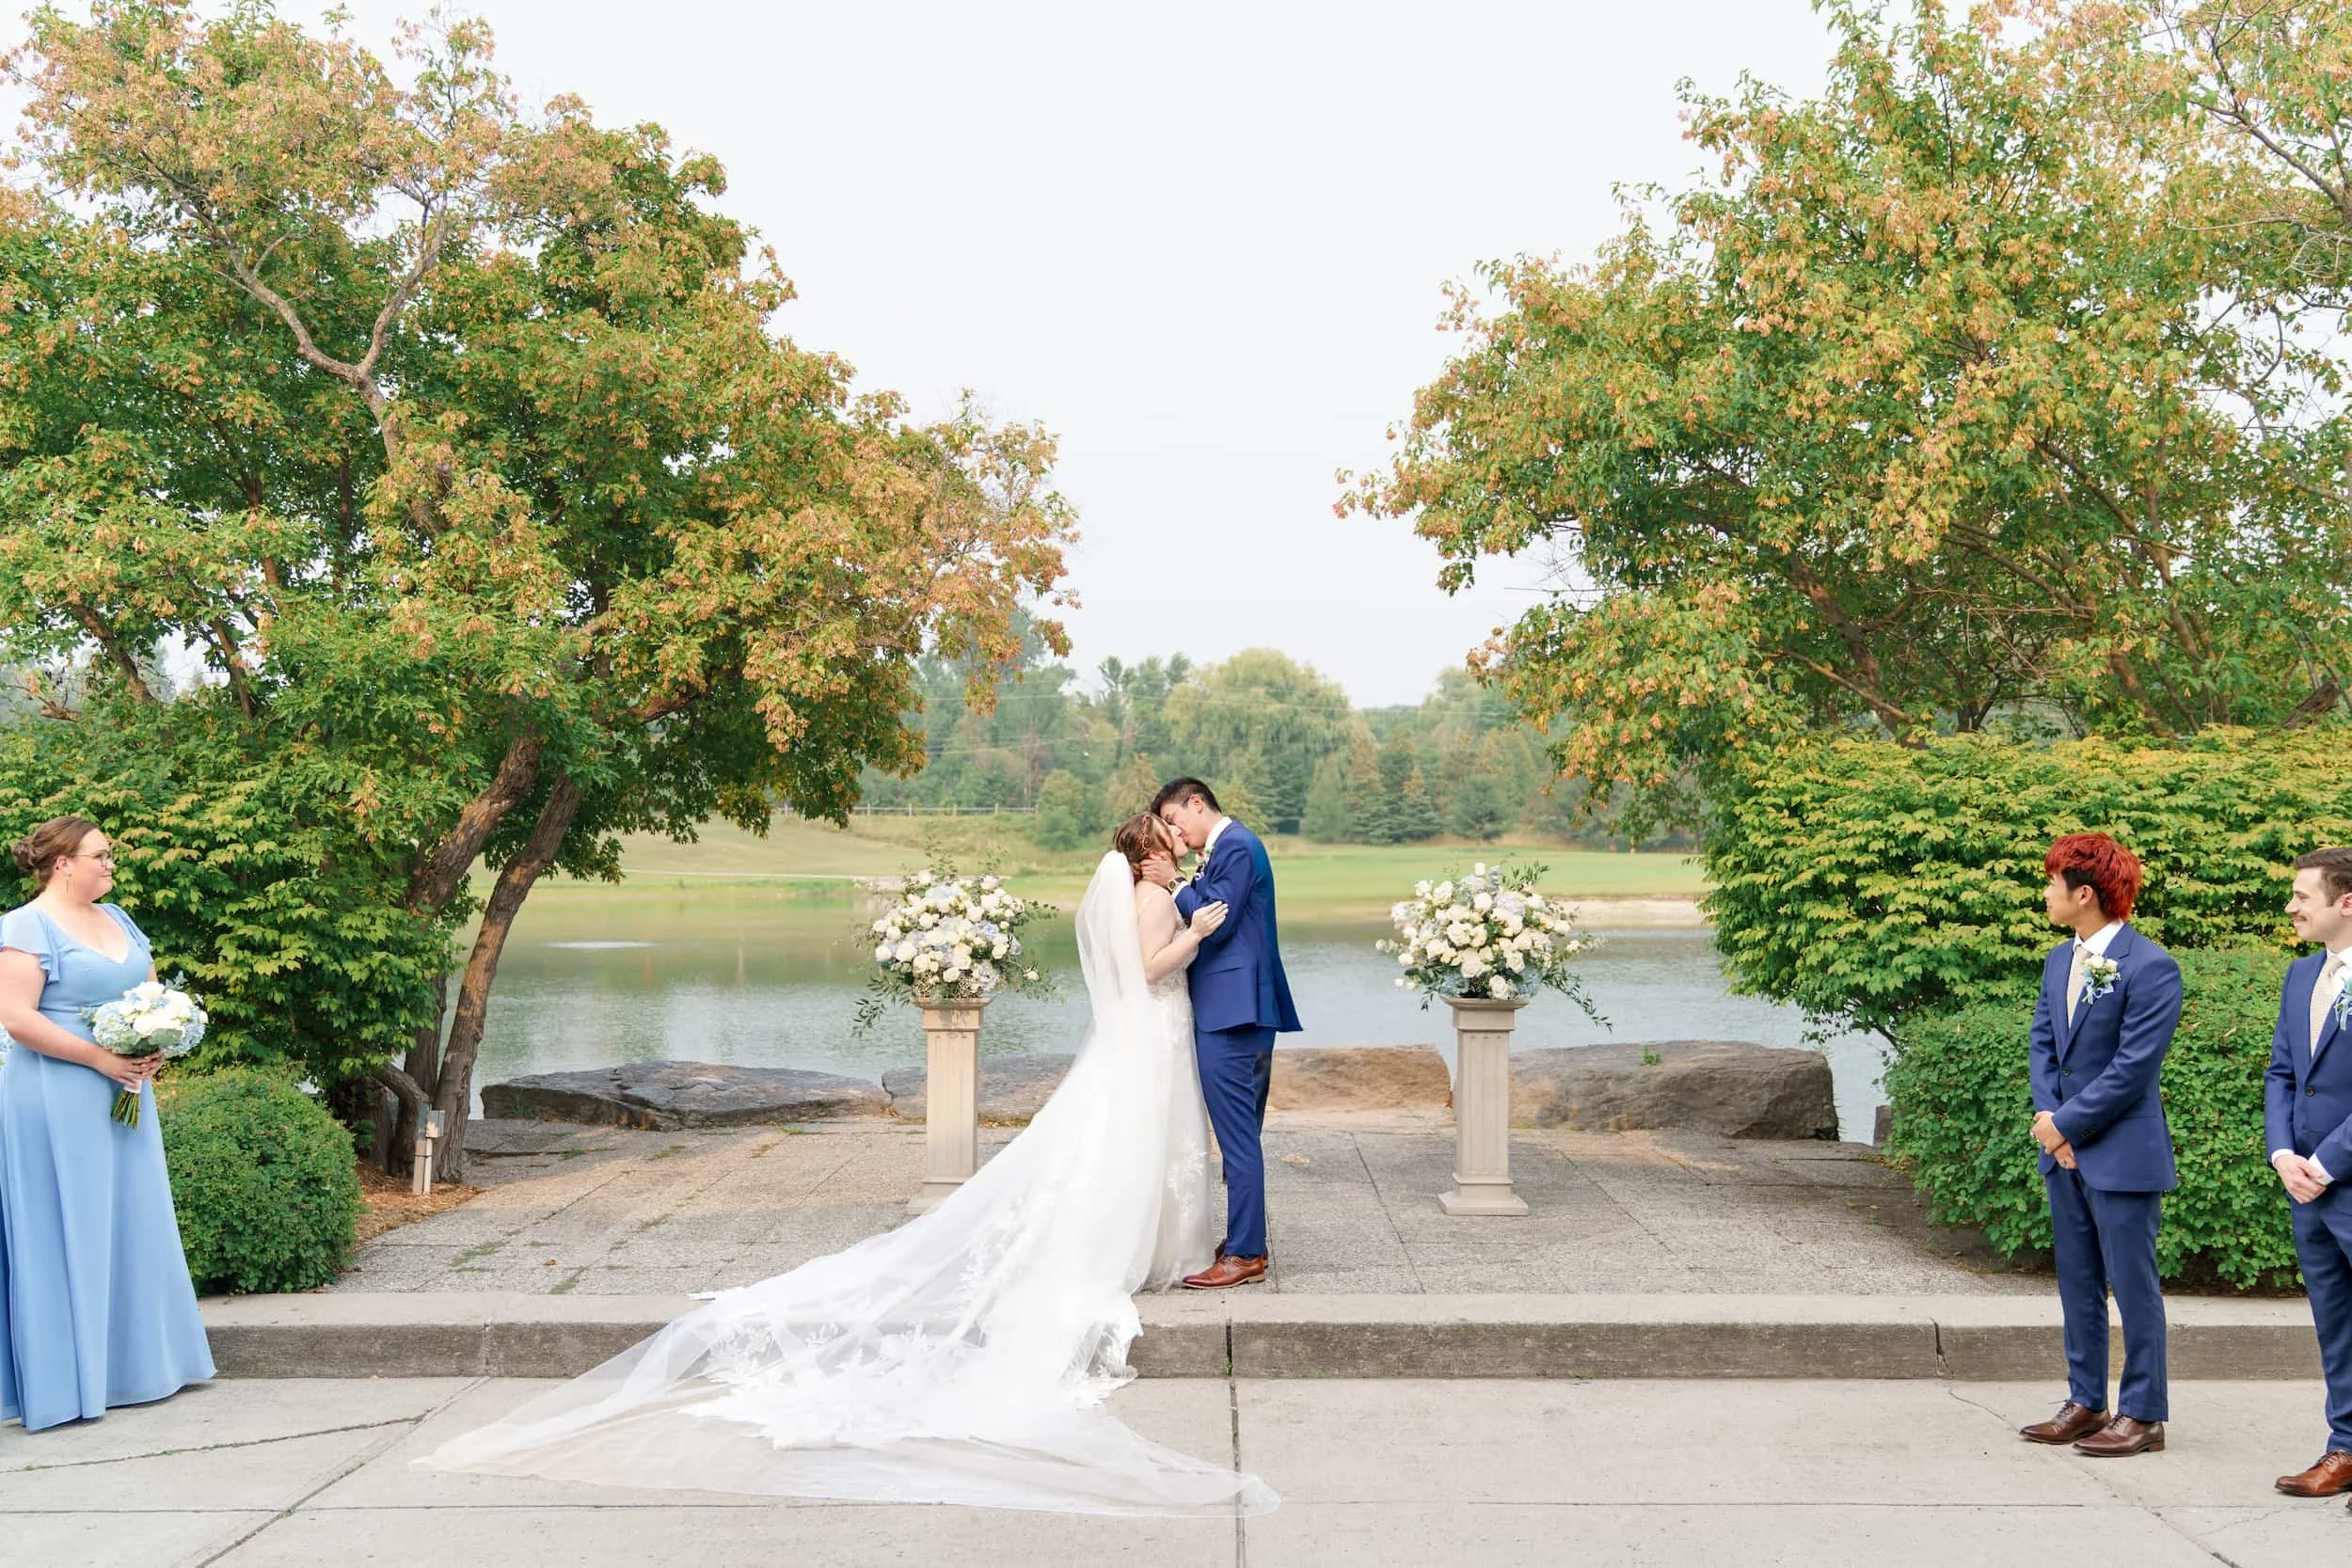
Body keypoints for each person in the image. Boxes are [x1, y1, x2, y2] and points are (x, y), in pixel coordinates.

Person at [421, 818, 1277, 1516]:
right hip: (1149, 1032)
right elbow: (1151, 967)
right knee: (1128, 1144)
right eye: (1164, 843)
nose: (1175, 849)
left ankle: (1155, 1242)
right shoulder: (1152, 899)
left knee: (1130, 1142)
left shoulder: (1146, 889)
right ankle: (1141, 1245)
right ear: (1143, 856)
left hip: (1147, 1041)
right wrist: (1197, 935)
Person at [0, 816, 214, 1431]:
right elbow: (16, 1015)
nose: (110, 863)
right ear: (63, 863)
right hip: (57, 1094)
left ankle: (140, 1367)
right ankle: (71, 1380)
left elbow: (149, 992)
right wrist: (102, 1057)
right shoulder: (25, 925)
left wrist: (155, 1046)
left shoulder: (118, 918)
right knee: (72, 1222)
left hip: (126, 1091)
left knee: (133, 1216)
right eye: (100, 855)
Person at [2017, 832, 2181, 1459]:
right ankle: (2086, 1400)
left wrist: (2067, 1125)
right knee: (2077, 1280)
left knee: (2133, 1285)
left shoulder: (2151, 966)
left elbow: (2132, 1068)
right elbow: (2043, 1044)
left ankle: (2144, 1414)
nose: (2046, 893)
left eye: (2052, 883)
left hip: (2123, 1154)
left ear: (2084, 893)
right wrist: (2047, 1115)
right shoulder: (2060, 960)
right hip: (2064, 1148)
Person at [1143, 778, 1301, 1290]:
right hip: (1238, 1008)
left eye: (1173, 818)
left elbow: (1219, 921)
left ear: (1196, 802)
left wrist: (1174, 884)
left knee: (1237, 1141)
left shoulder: (1236, 844)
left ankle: (1246, 1254)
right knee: (1241, 1136)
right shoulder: (1227, 849)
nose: (1173, 831)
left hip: (1233, 1013)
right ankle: (1244, 1239)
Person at [2266, 847, 2352, 1504]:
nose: (2292, 906)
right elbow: (2283, 1074)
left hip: (2337, 1173)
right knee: (2336, 1322)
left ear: (2345, 901)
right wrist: (2282, 1153)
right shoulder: (2300, 976)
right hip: (2307, 1186)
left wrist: (2327, 1161)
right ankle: (2344, 1447)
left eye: (2304, 894)